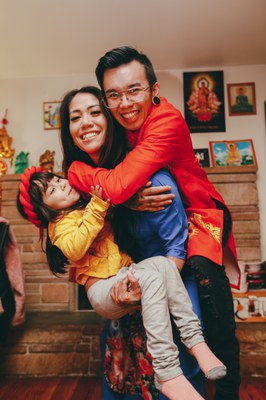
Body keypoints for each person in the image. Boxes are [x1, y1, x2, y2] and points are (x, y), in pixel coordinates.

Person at [67, 47, 241, 400]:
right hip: (141, 248)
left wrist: (103, 184)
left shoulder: (166, 121)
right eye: (113, 95)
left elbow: (117, 185)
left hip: (196, 218)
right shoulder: (114, 128)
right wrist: (80, 173)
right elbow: (113, 188)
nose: (125, 103)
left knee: (213, 316)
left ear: (154, 90)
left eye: (134, 90)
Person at [17, 167, 227, 400]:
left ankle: (194, 341)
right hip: (101, 290)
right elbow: (75, 249)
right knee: (150, 277)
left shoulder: (86, 205)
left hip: (122, 274)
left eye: (57, 179)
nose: (61, 184)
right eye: (52, 190)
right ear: (45, 209)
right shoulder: (59, 227)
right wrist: (97, 206)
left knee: (163, 265)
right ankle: (167, 372)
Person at [58, 85, 206, 399]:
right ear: (67, 130)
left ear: (111, 119)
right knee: (117, 360)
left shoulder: (150, 178)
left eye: (95, 112)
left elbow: (176, 248)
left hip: (170, 275)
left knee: (181, 345)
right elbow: (82, 252)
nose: (85, 122)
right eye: (75, 117)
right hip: (121, 284)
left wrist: (149, 296)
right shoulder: (74, 186)